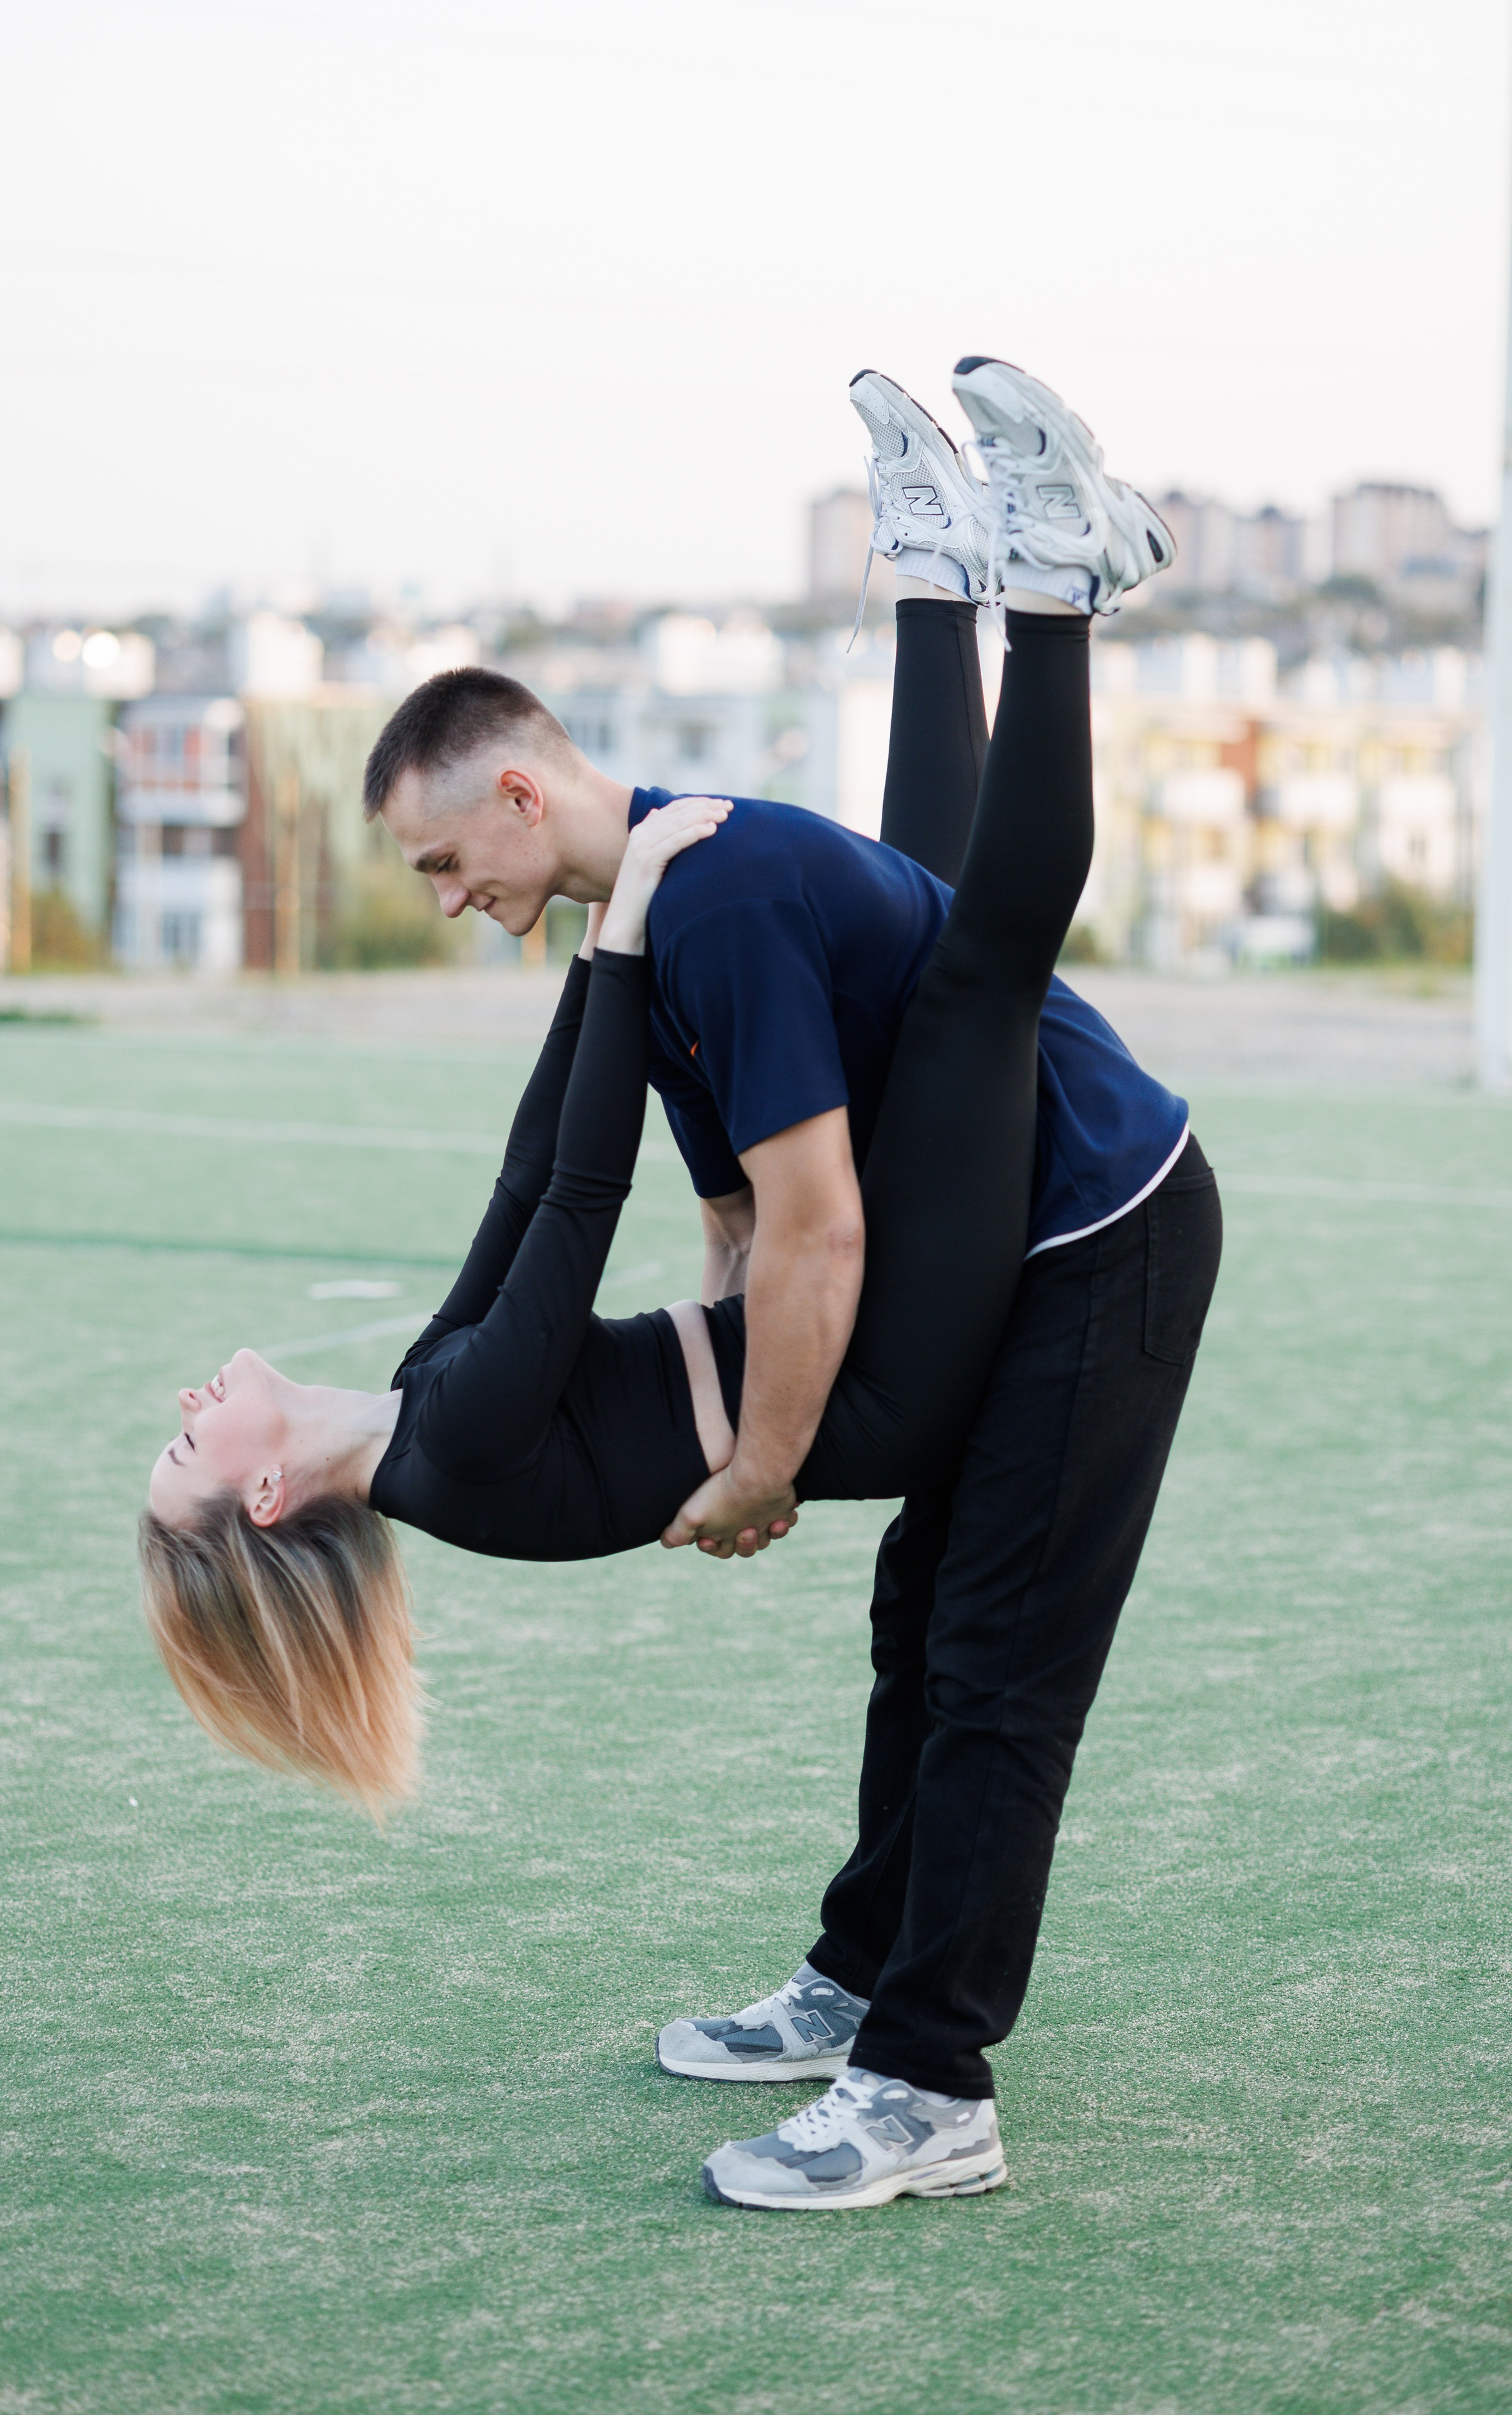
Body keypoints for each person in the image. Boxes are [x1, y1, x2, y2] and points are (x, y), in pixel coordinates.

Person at [142, 358, 1223, 2211]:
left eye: (436, 861)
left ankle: (964, 573)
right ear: (262, 1491)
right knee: (963, 1659)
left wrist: (617, 954)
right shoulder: (453, 1432)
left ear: (508, 789)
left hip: (1084, 1224)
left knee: (969, 1651)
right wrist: (765, 1458)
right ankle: (920, 2069)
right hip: (966, 1283)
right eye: (179, 1454)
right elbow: (711, 1222)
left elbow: (563, 1192)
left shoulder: (680, 904)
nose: (441, 896)